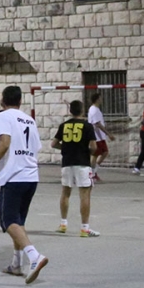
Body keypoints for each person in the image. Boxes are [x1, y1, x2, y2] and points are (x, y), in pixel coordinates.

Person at [0, 86, 48, 284]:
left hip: (14, 177)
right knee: (19, 221)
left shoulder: (3, 116)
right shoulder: (29, 120)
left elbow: (5, 143)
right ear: (20, 101)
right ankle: (16, 264)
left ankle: (34, 257)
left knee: (8, 222)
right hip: (31, 176)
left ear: (2, 100)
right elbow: (35, 148)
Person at [51, 101, 99, 237]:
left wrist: (66, 149)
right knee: (84, 194)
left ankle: (63, 224)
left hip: (67, 162)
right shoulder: (87, 126)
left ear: (70, 111)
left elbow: (53, 143)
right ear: (82, 110)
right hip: (82, 163)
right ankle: (85, 228)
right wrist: (86, 151)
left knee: (65, 192)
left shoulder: (64, 125)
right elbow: (94, 147)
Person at [86, 93, 112, 182]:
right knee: (95, 155)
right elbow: (97, 124)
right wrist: (108, 134)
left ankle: (93, 172)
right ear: (97, 99)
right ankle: (90, 174)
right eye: (100, 98)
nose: (101, 99)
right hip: (96, 136)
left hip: (99, 136)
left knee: (104, 152)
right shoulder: (94, 110)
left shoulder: (96, 109)